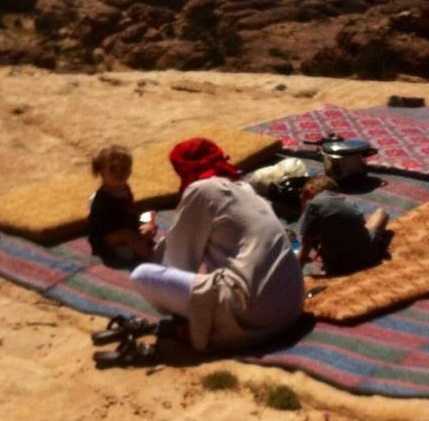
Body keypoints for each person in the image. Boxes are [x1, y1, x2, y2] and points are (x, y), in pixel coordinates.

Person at [129, 137, 304, 352]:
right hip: (291, 308)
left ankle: (194, 329)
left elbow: (177, 263)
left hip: (252, 315)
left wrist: (147, 251)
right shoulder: (247, 191)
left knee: (143, 275)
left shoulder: (202, 190)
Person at [297, 174, 390, 275]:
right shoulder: (348, 202)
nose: (300, 197)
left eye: (302, 195)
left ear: (308, 191)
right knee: (381, 213)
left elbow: (305, 248)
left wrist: (291, 276)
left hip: (340, 267)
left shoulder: (313, 205)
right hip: (369, 255)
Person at [87, 144, 155, 262]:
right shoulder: (102, 199)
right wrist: (131, 233)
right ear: (101, 172)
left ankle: (135, 247)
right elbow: (103, 228)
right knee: (127, 235)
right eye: (112, 169)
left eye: (124, 168)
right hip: (107, 237)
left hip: (126, 228)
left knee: (148, 215)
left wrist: (146, 224)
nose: (119, 173)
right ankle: (152, 258)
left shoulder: (125, 189)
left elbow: (131, 211)